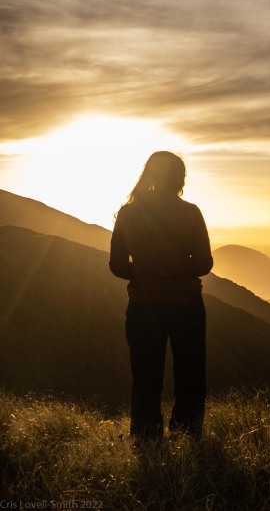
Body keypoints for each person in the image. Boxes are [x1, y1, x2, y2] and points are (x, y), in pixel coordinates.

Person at [109, 151, 213, 442]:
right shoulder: (190, 212)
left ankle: (145, 435)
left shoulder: (129, 214)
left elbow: (117, 266)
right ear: (180, 178)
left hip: (144, 306)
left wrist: (146, 272)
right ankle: (187, 433)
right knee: (190, 372)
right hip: (186, 305)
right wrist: (176, 271)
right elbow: (204, 264)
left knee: (145, 373)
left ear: (149, 175)